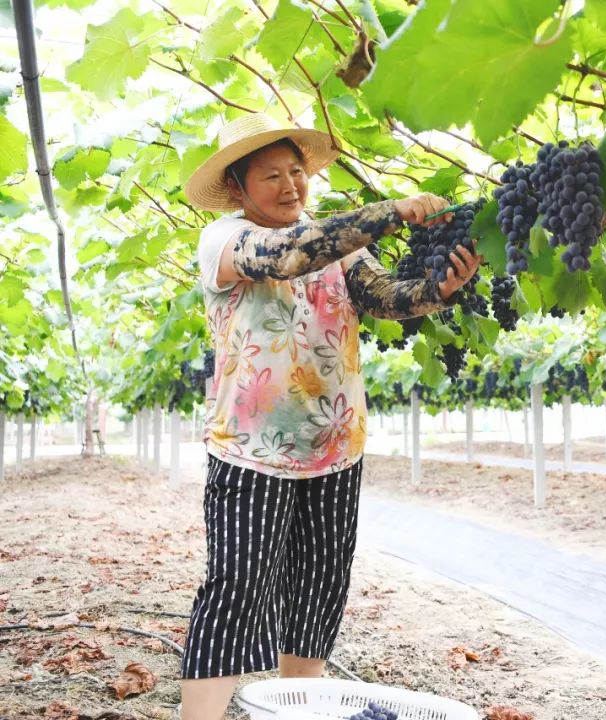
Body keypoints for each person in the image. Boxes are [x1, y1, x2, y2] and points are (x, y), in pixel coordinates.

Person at [178, 113, 482, 720]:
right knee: (236, 589)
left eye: (296, 171)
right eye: (272, 176)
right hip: (251, 451)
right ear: (237, 187)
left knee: (318, 591)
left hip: (336, 449)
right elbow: (289, 255)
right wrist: (393, 210)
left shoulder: (340, 247)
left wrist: (440, 289)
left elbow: (388, 298)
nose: (291, 185)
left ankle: (298, 709)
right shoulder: (225, 240)